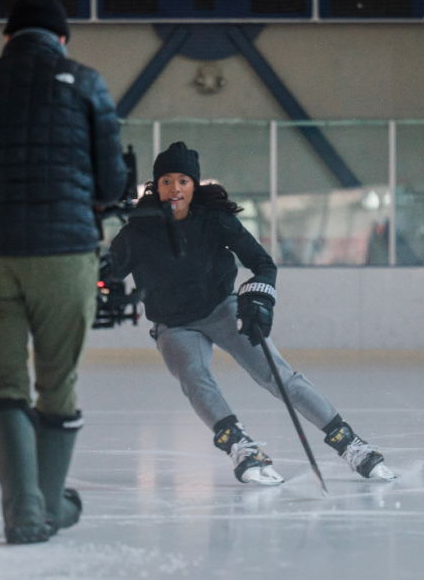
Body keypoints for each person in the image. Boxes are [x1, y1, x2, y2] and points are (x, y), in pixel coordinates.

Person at [106, 142, 394, 485]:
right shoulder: (137, 233)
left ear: (194, 185)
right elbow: (104, 276)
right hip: (174, 325)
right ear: (156, 185)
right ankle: (242, 449)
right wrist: (100, 292)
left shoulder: (214, 220)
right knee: (195, 378)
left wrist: (259, 299)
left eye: (183, 180)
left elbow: (262, 263)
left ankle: (350, 444)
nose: (175, 189)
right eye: (166, 180)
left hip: (221, 310)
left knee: (278, 376)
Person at [0, 0, 127, 544]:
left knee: (3, 381)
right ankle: (48, 505)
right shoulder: (87, 81)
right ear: (62, 39)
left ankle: (24, 509)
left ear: (7, 38)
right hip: (64, 251)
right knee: (58, 382)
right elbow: (112, 185)